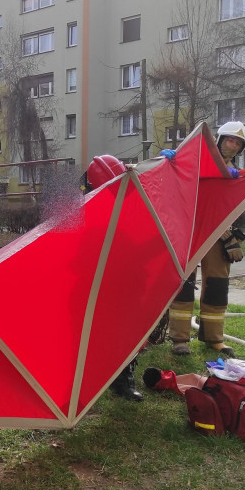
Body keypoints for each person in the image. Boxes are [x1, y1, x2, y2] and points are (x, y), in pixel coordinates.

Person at [165, 121, 245, 357]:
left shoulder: (237, 176)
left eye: (238, 143)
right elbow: (176, 180)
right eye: (230, 140)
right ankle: (179, 339)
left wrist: (237, 179)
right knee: (184, 284)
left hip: (219, 234)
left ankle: (214, 339)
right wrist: (169, 161)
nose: (233, 146)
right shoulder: (195, 161)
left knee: (217, 287)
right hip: (190, 231)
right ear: (220, 140)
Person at [84, 154, 142, 401]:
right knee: (90, 334)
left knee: (127, 330)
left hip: (123, 277)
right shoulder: (80, 205)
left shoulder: (130, 197)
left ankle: (123, 380)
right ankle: (84, 383)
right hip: (91, 280)